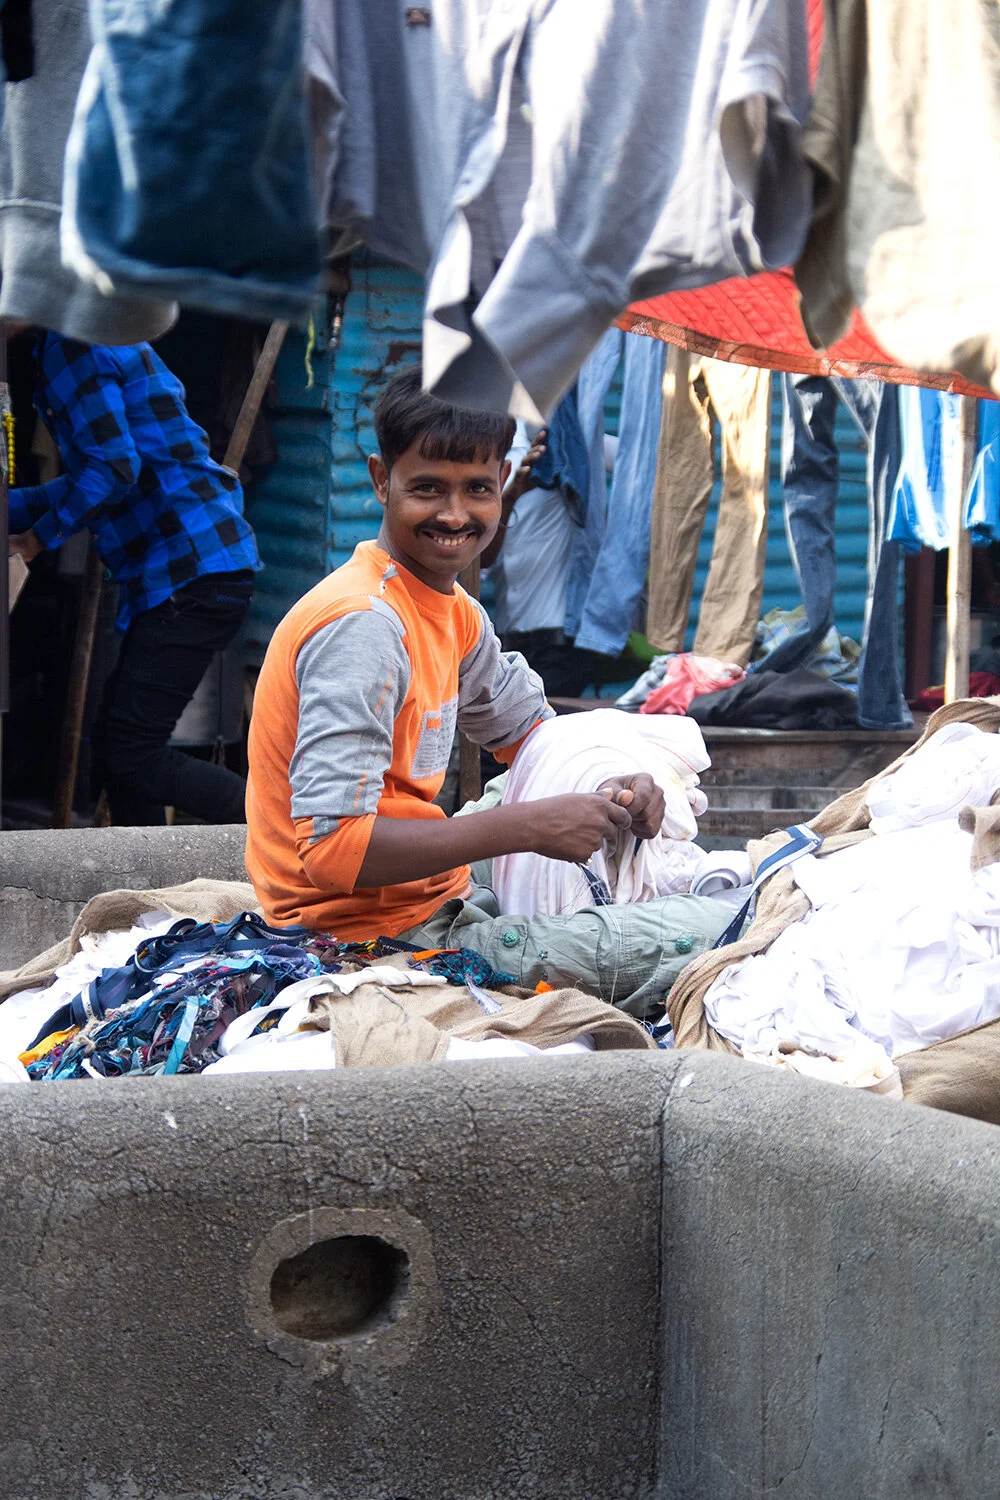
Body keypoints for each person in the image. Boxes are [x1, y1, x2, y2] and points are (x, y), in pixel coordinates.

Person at [246, 366, 729, 1017]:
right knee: (722, 925)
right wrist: (529, 826)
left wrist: (617, 780)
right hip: (367, 941)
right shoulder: (363, 625)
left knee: (578, 766)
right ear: (380, 480)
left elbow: (536, 736)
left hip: (420, 895)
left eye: (476, 488)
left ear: (503, 481)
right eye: (426, 489)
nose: (454, 514)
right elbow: (335, 854)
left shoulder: (450, 609)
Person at [7, 329, 261, 824]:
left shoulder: (73, 342)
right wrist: (14, 509)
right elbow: (100, 472)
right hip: (190, 568)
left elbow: (112, 468)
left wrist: (35, 540)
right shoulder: (86, 336)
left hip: (194, 567)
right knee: (117, 753)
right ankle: (149, 893)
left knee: (132, 753)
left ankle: (285, 834)